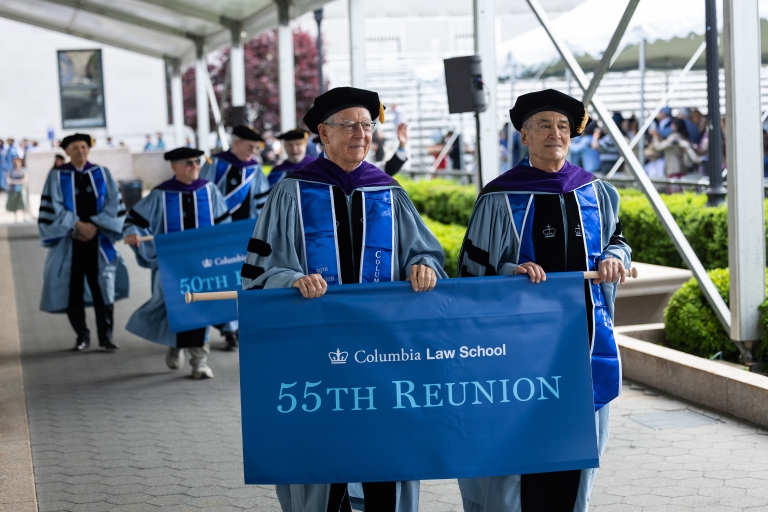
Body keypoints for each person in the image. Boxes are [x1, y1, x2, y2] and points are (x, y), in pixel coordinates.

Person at [242, 86, 447, 512]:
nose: (361, 133)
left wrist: (421, 265)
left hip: (382, 352)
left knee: (385, 450)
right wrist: (292, 278)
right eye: (349, 125)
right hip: (317, 353)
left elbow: (424, 251)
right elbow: (259, 269)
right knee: (324, 450)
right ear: (323, 132)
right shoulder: (291, 192)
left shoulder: (388, 192)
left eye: (367, 125)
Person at [456, 89, 631, 512]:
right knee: (524, 450)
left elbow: (619, 240)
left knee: (577, 446)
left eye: (563, 126)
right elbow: (470, 265)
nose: (556, 133)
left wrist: (614, 257)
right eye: (544, 125)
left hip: (586, 340)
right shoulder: (500, 197)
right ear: (524, 135)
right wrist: (507, 272)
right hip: (521, 349)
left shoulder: (596, 192)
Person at [123, 147, 231, 378]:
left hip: (204, 266)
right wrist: (133, 233)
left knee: (201, 309)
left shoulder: (209, 191)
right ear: (174, 167)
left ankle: (199, 361)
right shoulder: (161, 194)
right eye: (188, 163)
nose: (194, 166)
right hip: (172, 267)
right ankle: (175, 344)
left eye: (196, 162)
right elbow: (134, 221)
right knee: (175, 308)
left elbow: (224, 225)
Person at [38, 133, 128, 351]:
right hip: (71, 240)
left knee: (103, 289)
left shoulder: (102, 173)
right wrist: (78, 225)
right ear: (67, 152)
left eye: (83, 147)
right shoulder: (57, 176)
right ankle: (82, 336)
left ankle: (106, 337)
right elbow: (54, 207)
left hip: (99, 241)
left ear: (88, 149)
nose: (80, 151)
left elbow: (114, 202)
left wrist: (95, 225)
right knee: (73, 288)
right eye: (75, 148)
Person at [6, 156, 30, 222]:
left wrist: (18, 181)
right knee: (14, 203)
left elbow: (26, 179)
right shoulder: (12, 171)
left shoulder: (23, 170)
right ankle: (15, 218)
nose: (15, 163)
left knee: (23, 202)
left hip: (21, 189)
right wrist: (12, 182)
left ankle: (24, 216)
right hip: (13, 190)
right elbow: (8, 179)